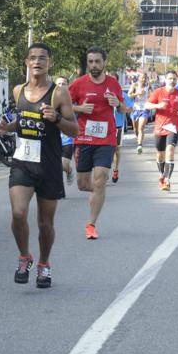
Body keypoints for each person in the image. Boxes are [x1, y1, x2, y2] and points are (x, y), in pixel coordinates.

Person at [0, 44, 77, 287]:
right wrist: (5, 127)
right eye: (33, 58)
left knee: (45, 223)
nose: (37, 62)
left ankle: (44, 264)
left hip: (49, 165)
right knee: (18, 213)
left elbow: (74, 129)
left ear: (50, 62)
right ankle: (24, 256)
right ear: (26, 62)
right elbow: (21, 120)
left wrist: (57, 118)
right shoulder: (18, 90)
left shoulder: (59, 93)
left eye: (42, 58)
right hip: (23, 163)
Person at [68, 47, 126, 240]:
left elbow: (124, 108)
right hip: (83, 138)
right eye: (90, 62)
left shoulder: (113, 84)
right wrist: (80, 108)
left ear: (104, 63)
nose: (93, 65)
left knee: (100, 179)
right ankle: (97, 194)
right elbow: (64, 106)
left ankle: (91, 225)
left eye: (97, 61)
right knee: (84, 184)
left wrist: (117, 103)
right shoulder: (78, 84)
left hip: (106, 139)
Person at [145, 70, 178, 192]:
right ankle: (161, 174)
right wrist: (157, 106)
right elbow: (147, 105)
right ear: (166, 80)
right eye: (170, 78)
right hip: (160, 126)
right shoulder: (158, 92)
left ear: (177, 80)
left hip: (173, 126)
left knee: (170, 150)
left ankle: (167, 179)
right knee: (160, 154)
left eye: (174, 79)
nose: (172, 81)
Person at [55, 76, 75, 185]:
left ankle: (69, 170)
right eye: (59, 83)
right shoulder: (50, 99)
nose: (61, 86)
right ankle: (58, 188)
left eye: (64, 83)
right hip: (53, 138)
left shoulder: (72, 99)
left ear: (68, 86)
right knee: (54, 165)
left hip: (67, 139)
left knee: (63, 164)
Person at [111, 91, 134, 183]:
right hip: (104, 125)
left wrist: (122, 109)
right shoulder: (101, 91)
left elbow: (131, 108)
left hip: (118, 125)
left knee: (116, 150)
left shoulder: (121, 94)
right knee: (103, 149)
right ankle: (103, 171)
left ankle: (115, 170)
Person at [128, 73, 151, 154]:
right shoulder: (134, 85)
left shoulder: (148, 86)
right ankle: (138, 138)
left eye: (145, 78)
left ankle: (139, 145)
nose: (143, 79)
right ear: (139, 78)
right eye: (142, 78)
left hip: (145, 109)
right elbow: (129, 95)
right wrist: (137, 93)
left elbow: (152, 96)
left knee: (140, 128)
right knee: (136, 129)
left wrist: (149, 98)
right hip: (135, 109)